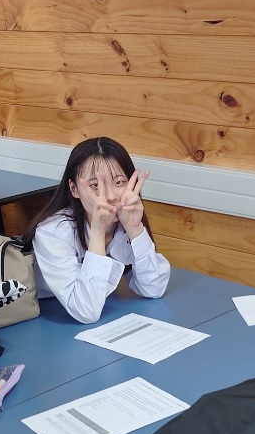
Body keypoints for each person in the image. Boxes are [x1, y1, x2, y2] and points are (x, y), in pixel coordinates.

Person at [25, 136, 171, 323]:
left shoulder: (125, 220)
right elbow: (86, 312)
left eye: (119, 182)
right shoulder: (53, 232)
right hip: (40, 310)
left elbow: (154, 288)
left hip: (89, 300)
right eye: (95, 185)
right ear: (74, 189)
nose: (110, 196)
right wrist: (98, 231)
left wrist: (135, 228)